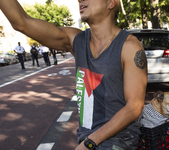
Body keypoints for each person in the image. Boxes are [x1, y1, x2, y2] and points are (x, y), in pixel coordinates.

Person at [0, 0, 147, 149]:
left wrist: (89, 143)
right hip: (87, 139)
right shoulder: (76, 40)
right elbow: (22, 22)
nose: (80, 0)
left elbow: (134, 107)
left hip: (119, 140)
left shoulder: (129, 46)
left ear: (111, 3)